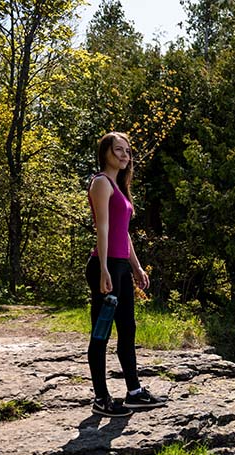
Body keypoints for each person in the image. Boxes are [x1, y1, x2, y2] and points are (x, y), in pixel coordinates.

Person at [86, 131, 165, 417]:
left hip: (120, 265)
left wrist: (136, 266)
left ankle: (134, 393)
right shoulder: (101, 183)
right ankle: (101, 398)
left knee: (128, 329)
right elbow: (103, 230)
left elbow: (124, 234)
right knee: (101, 333)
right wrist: (105, 268)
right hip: (104, 266)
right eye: (118, 149)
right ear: (105, 151)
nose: (124, 155)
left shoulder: (119, 187)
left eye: (128, 151)